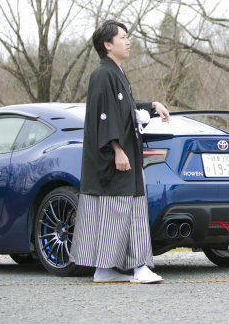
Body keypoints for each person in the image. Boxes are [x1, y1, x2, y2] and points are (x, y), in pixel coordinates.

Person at [71, 20, 171, 283]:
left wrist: (151, 105)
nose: (128, 42)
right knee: (126, 209)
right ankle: (139, 267)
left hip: (122, 153)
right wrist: (117, 149)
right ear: (107, 44)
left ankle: (104, 269)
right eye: (123, 37)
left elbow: (124, 107)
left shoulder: (115, 72)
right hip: (114, 155)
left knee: (122, 209)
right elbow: (104, 117)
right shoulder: (103, 74)